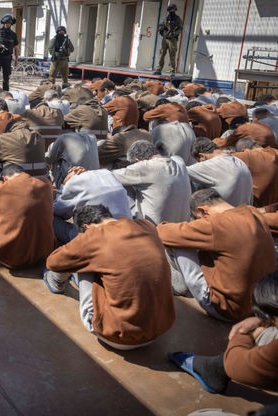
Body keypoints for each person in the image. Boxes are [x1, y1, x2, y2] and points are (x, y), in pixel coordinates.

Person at [43, 205, 175, 350]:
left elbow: (53, 262)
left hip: (118, 336)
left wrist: (82, 241)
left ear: (87, 227)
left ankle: (55, 283)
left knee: (81, 261)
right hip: (158, 330)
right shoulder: (146, 225)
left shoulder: (94, 236)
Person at [157, 188, 276, 321]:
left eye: (198, 219)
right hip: (259, 305)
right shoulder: (254, 214)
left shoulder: (215, 223)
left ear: (203, 211)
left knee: (179, 242)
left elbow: (163, 233)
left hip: (229, 310)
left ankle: (180, 289)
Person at [168, 270, 278, 394]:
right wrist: (260, 320)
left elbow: (234, 366)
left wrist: (245, 335)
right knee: (267, 334)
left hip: (224, 308)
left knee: (204, 414)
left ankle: (214, 369)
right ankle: (216, 368)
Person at [113, 140, 191, 224]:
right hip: (182, 224)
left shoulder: (146, 167)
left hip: (154, 228)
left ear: (137, 159)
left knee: (119, 185)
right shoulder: (179, 162)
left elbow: (109, 176)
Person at [52, 168, 131, 243]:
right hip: (125, 228)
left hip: (96, 238)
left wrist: (64, 186)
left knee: (50, 217)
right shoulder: (108, 174)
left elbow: (57, 211)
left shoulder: (75, 183)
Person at [188, 137, 253, 207]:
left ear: (202, 156)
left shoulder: (213, 164)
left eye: (199, 161)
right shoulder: (239, 161)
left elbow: (182, 170)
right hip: (245, 211)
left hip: (226, 214)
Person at [0, 14, 19, 91]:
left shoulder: (13, 35)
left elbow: (16, 47)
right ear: (3, 23)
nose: (7, 24)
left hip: (7, 59)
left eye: (9, 23)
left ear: (11, 24)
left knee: (6, 78)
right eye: (6, 23)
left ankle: (6, 94)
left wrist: (16, 59)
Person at [154, 3, 183, 75]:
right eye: (170, 9)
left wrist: (174, 33)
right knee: (162, 54)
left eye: (172, 9)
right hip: (165, 38)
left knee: (172, 54)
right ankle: (158, 70)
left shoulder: (177, 19)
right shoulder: (166, 19)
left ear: (175, 10)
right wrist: (162, 31)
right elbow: (161, 27)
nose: (171, 11)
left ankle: (172, 70)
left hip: (173, 39)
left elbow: (180, 28)